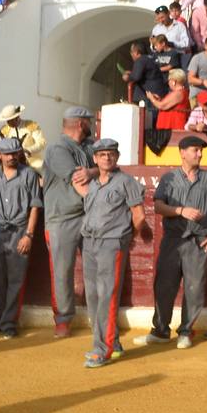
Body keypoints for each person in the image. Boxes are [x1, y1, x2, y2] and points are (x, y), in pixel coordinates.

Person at [136, 137, 207, 350]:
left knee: (194, 289)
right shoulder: (169, 178)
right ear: (182, 153)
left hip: (198, 242)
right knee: (164, 286)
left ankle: (186, 331)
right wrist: (180, 211)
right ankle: (160, 330)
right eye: (195, 150)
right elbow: (158, 206)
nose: (200, 154)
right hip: (173, 241)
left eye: (200, 151)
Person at [73, 139, 147, 369]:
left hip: (112, 243)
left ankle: (102, 349)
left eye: (111, 154)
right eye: (102, 154)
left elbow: (140, 216)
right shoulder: (93, 184)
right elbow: (82, 191)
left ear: (117, 157)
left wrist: (127, 238)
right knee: (94, 296)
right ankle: (112, 343)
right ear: (95, 159)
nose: (107, 158)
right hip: (90, 243)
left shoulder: (126, 182)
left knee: (107, 295)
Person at [0, 137, 43, 339]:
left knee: (15, 279)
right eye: (7, 154)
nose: (12, 157)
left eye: (15, 153)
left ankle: (9, 323)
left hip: (19, 231)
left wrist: (29, 235)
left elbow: (35, 207)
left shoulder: (29, 175)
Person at [42, 106, 96, 339]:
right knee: (62, 271)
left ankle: (98, 316)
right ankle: (63, 319)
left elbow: (108, 167)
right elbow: (79, 183)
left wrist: (93, 172)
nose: (92, 125)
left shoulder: (88, 147)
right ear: (81, 124)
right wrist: (106, 199)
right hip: (61, 217)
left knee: (95, 268)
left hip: (87, 214)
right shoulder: (58, 149)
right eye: (89, 121)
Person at [0, 103, 47, 173]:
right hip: (11, 161)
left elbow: (42, 142)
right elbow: (0, 147)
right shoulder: (4, 130)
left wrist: (27, 150)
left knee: (44, 172)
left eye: (10, 120)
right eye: (7, 121)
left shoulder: (31, 125)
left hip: (32, 160)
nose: (8, 123)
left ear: (17, 117)